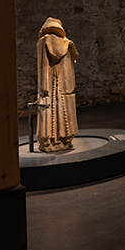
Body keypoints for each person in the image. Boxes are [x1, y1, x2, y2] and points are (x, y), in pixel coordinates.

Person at [36, 17, 79, 152]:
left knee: (52, 111)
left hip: (50, 85)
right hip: (60, 85)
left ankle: (50, 141)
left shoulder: (42, 42)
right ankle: (63, 139)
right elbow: (73, 57)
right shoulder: (67, 43)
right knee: (60, 109)